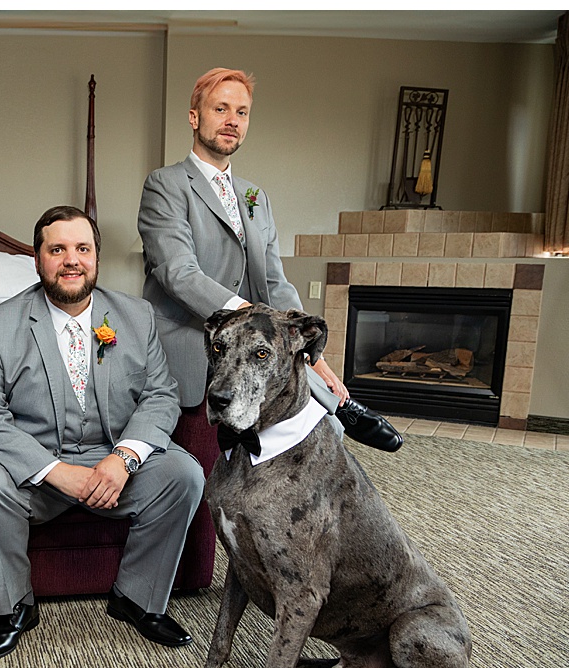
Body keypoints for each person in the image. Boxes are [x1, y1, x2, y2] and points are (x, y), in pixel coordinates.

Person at [0, 205, 205, 664]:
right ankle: (13, 607)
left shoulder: (136, 316)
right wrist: (54, 471)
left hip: (113, 462)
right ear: (38, 260)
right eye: (57, 249)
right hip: (36, 466)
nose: (71, 260)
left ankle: (137, 598)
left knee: (184, 474)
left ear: (96, 257)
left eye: (82, 248)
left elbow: (161, 396)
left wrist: (123, 459)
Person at [138, 66, 403, 452]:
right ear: (194, 117)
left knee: (302, 441)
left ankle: (338, 406)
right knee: (208, 473)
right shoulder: (166, 185)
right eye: (221, 109)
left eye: (242, 112)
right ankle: (340, 407)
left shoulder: (255, 196)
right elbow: (178, 273)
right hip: (193, 349)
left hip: (255, 351)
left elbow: (275, 281)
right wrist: (251, 317)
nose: (232, 121)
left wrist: (312, 353)